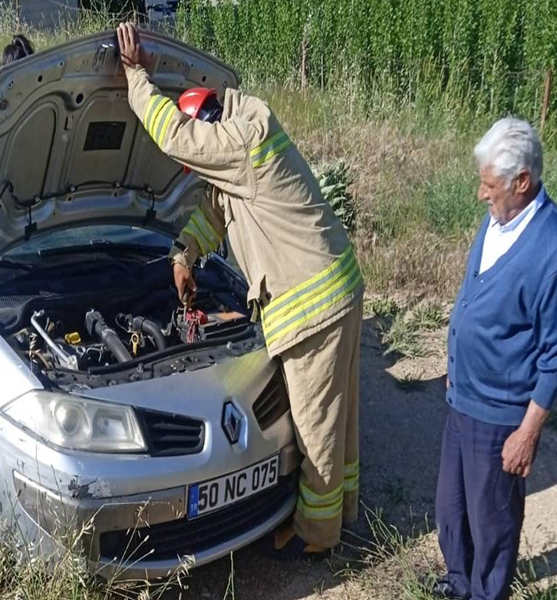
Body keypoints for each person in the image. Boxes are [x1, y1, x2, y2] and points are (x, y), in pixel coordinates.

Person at [116, 22, 364, 558]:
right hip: (337, 286)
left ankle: (316, 538)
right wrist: (184, 253)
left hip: (312, 304)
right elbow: (217, 209)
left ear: (206, 123)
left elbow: (173, 135)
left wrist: (136, 78)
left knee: (316, 425)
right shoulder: (246, 136)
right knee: (340, 418)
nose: (192, 166)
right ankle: (346, 513)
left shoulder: (240, 143)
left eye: (193, 163)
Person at [435, 118, 556, 600]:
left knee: (493, 526)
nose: (482, 195)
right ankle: (458, 586)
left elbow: (554, 355)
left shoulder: (549, 250)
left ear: (521, 182)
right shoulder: (498, 219)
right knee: (451, 510)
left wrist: (527, 432)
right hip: (462, 400)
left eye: (490, 185)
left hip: (501, 418)